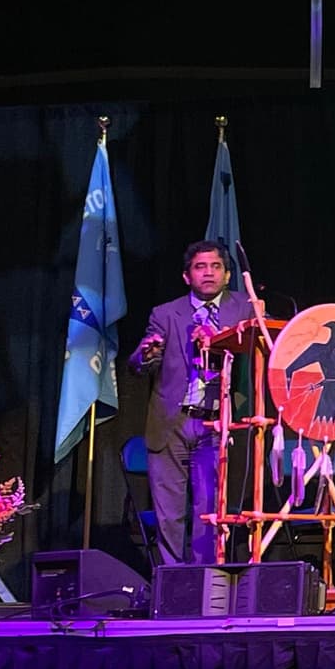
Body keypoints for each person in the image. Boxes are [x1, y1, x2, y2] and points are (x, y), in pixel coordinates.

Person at [128, 241, 253, 565]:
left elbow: (265, 347)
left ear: (227, 275)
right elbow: (141, 361)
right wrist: (148, 353)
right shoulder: (166, 314)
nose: (208, 273)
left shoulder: (246, 308)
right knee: (169, 514)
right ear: (187, 277)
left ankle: (205, 582)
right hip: (173, 422)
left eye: (215, 267)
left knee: (209, 512)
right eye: (200, 267)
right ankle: (173, 584)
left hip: (218, 423)